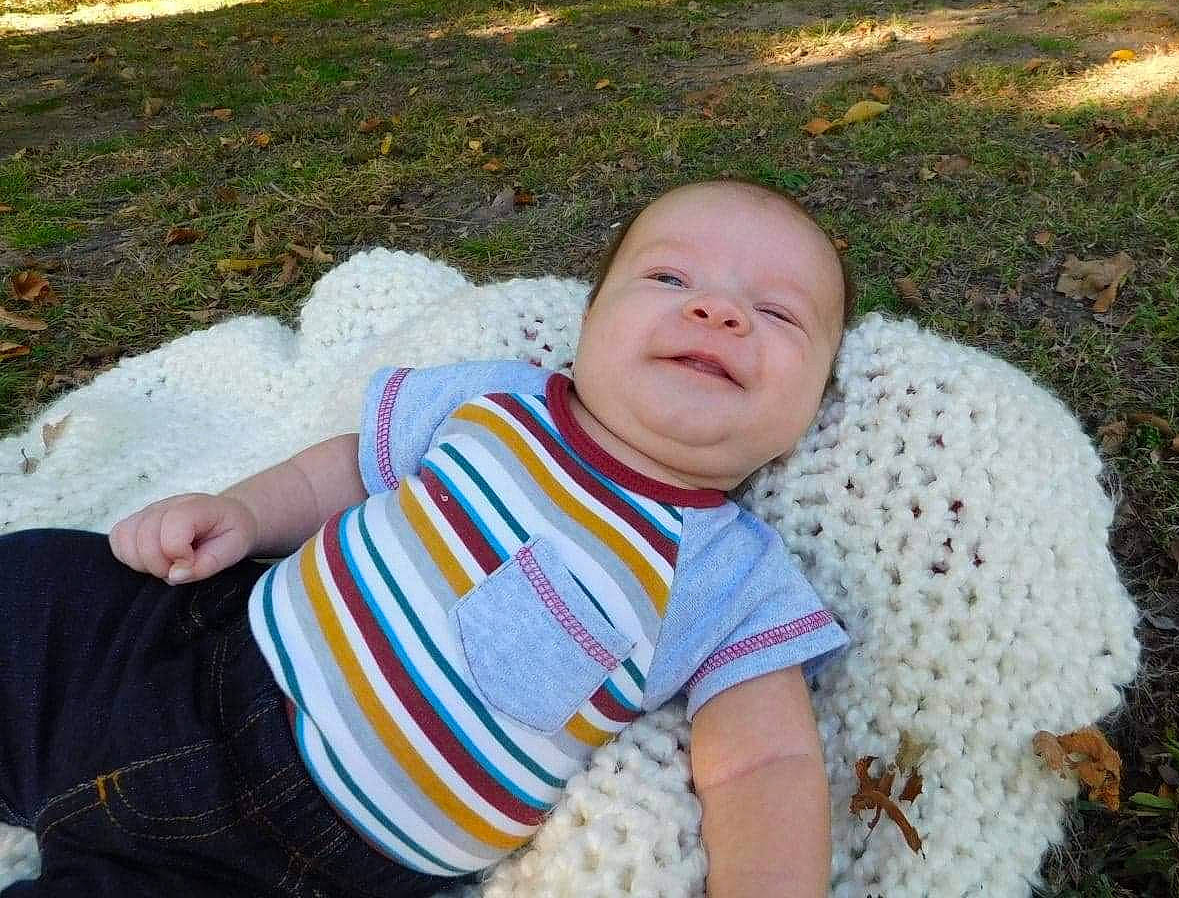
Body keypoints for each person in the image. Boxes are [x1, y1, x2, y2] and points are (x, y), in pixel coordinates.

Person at [0, 180, 854, 898]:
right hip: (198, 646)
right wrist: (247, 513)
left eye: (777, 313)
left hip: (290, 858)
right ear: (589, 323)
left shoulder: (733, 575)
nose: (718, 311)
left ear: (816, 400)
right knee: (41, 581)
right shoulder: (497, 403)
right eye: (670, 277)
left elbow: (766, 765)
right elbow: (349, 468)